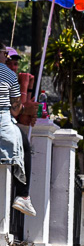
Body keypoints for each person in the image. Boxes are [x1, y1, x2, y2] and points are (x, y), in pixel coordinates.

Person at [0, 43, 34, 216]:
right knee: (25, 145)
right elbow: (15, 110)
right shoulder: (8, 74)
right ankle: (23, 195)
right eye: (5, 56)